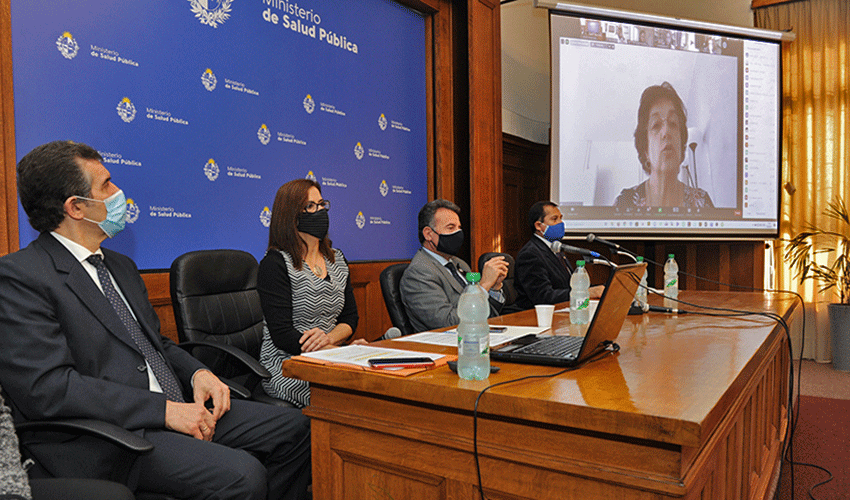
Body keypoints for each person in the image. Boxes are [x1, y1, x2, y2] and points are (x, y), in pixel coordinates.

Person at [0, 141, 311, 500]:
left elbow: (156, 345)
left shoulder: (120, 267)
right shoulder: (20, 277)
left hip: (175, 408)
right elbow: (51, 389)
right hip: (109, 434)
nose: (119, 194)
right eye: (106, 185)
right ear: (76, 208)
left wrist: (199, 373)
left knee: (296, 428)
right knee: (243, 476)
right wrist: (164, 411)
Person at [257, 179, 358, 408]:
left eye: (322, 204)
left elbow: (350, 318)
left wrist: (330, 341)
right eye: (311, 206)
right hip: (288, 364)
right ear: (291, 215)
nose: (320, 211)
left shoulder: (338, 259)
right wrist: (343, 354)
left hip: (331, 355)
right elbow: (283, 335)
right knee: (350, 400)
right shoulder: (275, 264)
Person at [400, 199, 509, 332]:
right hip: (446, 345)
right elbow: (446, 323)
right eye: (450, 228)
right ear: (428, 234)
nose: (458, 233)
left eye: (459, 228)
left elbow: (484, 313)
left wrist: (494, 288)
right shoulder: (419, 273)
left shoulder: (459, 263)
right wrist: (484, 286)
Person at [614, 82, 714, 209]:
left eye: (673, 123)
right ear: (645, 151)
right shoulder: (624, 202)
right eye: (656, 125)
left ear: (681, 146)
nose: (666, 131)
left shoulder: (702, 202)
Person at [514, 201, 604, 310]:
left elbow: (567, 286)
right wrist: (586, 293)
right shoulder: (530, 254)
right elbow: (543, 297)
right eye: (554, 219)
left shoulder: (555, 249)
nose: (561, 223)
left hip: (563, 311)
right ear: (538, 225)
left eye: (561, 218)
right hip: (536, 317)